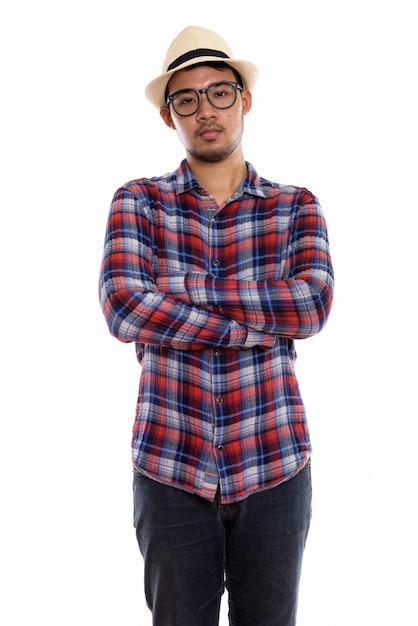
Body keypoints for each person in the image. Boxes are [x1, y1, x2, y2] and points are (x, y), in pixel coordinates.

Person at [99, 25, 334, 626]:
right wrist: (258, 320)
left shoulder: (295, 206)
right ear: (167, 115)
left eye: (220, 93)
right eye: (187, 99)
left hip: (275, 464)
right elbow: (125, 308)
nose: (206, 111)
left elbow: (310, 307)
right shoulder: (139, 202)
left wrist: (180, 295)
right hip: (171, 466)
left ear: (244, 101)